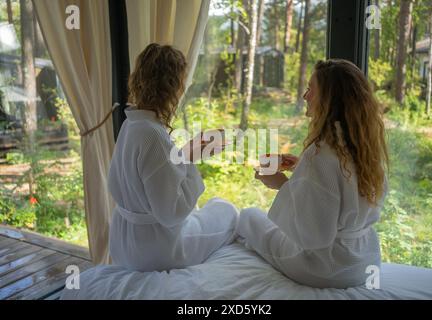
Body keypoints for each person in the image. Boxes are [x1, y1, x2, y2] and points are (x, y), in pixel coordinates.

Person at [237, 59, 389, 289]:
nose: (305, 96)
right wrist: (301, 170)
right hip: (365, 262)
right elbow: (344, 188)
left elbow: (312, 236)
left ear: (329, 99)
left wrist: (282, 184)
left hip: (323, 269)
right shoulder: (366, 145)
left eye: (310, 89)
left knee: (248, 216)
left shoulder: (319, 154)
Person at [108, 43, 238, 272]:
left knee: (214, 206)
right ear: (172, 86)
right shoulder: (152, 135)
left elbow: (149, 179)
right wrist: (189, 158)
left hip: (123, 243)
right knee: (227, 210)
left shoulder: (131, 125)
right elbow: (171, 213)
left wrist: (185, 152)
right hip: (158, 251)